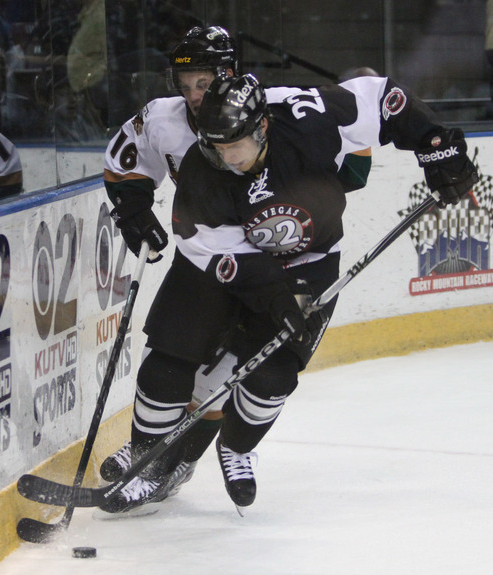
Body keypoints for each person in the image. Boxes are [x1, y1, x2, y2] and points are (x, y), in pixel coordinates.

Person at [106, 72, 477, 513]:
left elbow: (384, 98)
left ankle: (237, 448)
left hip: (309, 261)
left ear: (262, 127)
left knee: (272, 376)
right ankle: (147, 464)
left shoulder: (310, 119)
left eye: (234, 147)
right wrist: (271, 296)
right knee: (170, 357)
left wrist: (437, 145)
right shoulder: (203, 170)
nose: (224, 158)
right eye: (215, 147)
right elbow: (208, 246)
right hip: (229, 264)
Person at [100, 26, 372, 516]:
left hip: (287, 262)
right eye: (184, 87)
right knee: (171, 356)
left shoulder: (280, 112)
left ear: (228, 74)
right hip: (209, 251)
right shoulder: (165, 118)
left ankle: (188, 456)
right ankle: (148, 455)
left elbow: (353, 157)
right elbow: (126, 161)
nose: (192, 98)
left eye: (202, 84)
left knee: (252, 372)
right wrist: (134, 208)